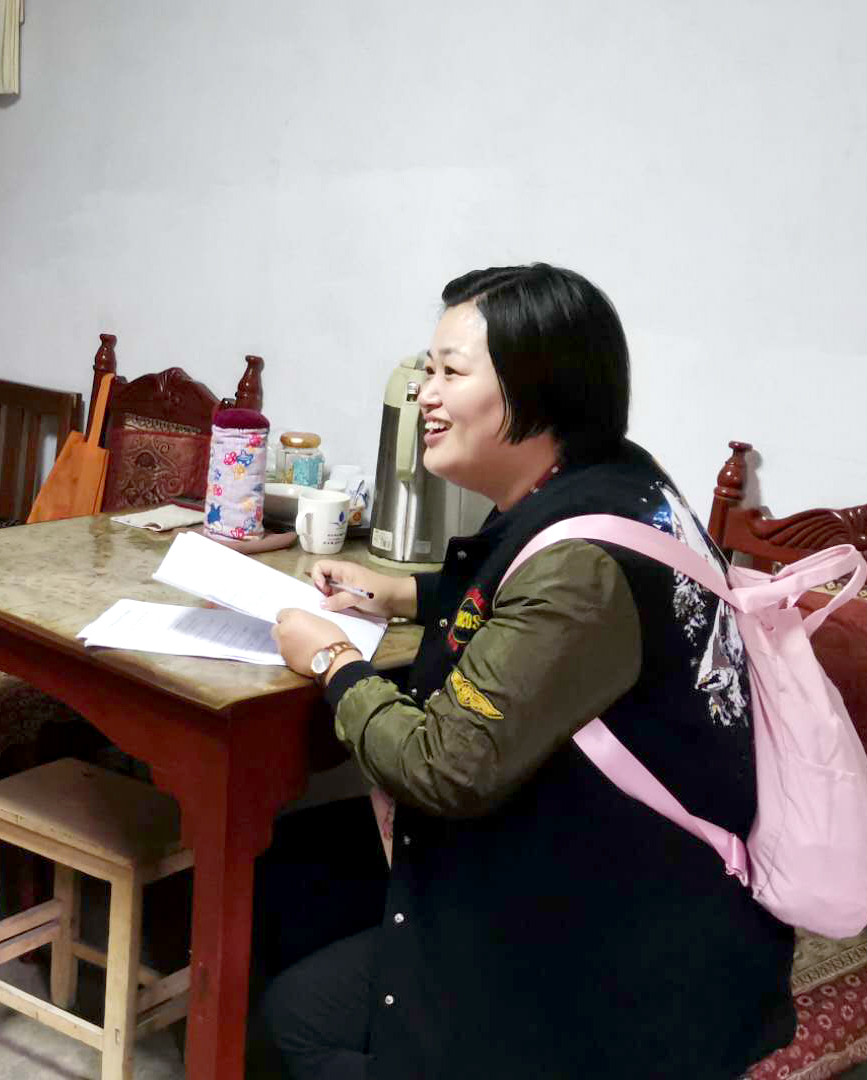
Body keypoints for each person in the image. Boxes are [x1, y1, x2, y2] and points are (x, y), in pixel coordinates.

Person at [260, 264, 795, 1078]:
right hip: (586, 858)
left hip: (618, 948)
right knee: (292, 874)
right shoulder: (616, 481)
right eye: (427, 370)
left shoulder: (584, 565)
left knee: (294, 1015)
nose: (424, 395)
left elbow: (445, 765)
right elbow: (515, 596)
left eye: (450, 372)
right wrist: (402, 592)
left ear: (537, 388)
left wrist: (332, 660)